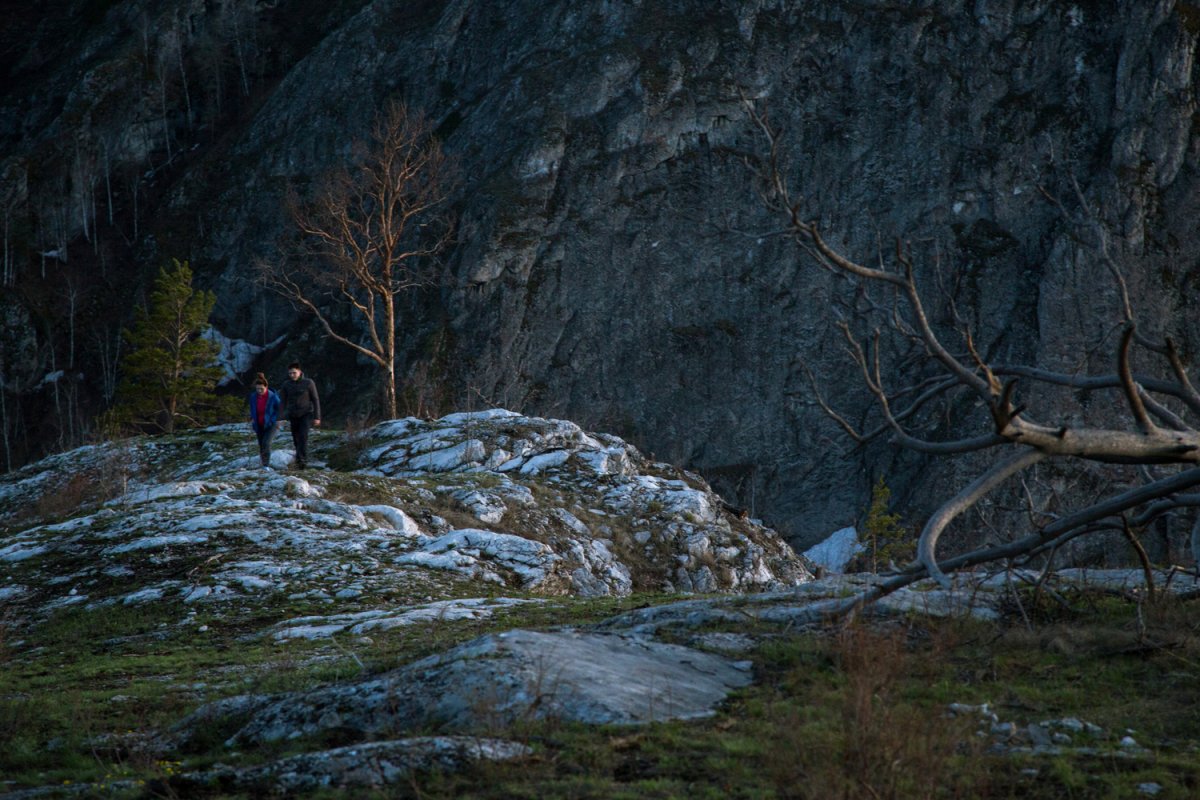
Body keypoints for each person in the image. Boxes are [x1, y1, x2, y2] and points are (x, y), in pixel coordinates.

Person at [279, 362, 321, 469]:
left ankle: (302, 461)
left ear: (300, 372)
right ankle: (299, 457)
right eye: (290, 373)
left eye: (294, 373)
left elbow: (315, 399)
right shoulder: (286, 384)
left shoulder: (308, 382)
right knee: (295, 437)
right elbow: (282, 402)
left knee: (303, 436)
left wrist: (317, 417)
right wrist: (279, 417)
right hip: (293, 414)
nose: (292, 375)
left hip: (306, 413)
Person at [247, 373, 281, 468]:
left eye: (261, 389)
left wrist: (275, 420)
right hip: (259, 424)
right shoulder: (253, 397)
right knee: (261, 444)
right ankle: (263, 464)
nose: (259, 391)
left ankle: (266, 465)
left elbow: (279, 409)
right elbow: (253, 408)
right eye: (257, 389)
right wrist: (251, 417)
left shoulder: (273, 397)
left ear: (266, 387)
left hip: (271, 424)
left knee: (266, 443)